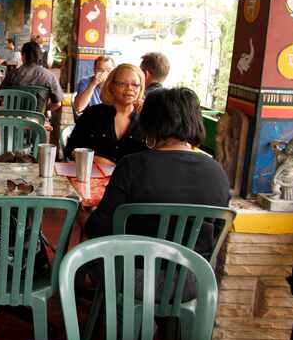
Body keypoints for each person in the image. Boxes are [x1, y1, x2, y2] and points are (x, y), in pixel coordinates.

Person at [84, 87, 230, 258]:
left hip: (129, 276)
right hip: (193, 278)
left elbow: (99, 229)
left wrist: (84, 217)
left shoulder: (133, 166)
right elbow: (217, 231)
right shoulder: (217, 172)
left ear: (148, 123)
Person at [63, 63, 147, 164]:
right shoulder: (93, 114)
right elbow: (70, 149)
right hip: (94, 176)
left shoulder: (146, 119)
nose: (129, 88)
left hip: (133, 179)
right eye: (122, 84)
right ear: (112, 86)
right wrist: (94, 159)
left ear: (140, 88)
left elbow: (156, 156)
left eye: (135, 85)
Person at [0, 41, 64, 113]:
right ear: (39, 56)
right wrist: (44, 110)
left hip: (13, 120)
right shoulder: (50, 76)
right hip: (36, 122)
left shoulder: (11, 75)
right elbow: (57, 104)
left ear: (23, 56)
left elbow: (0, 97)